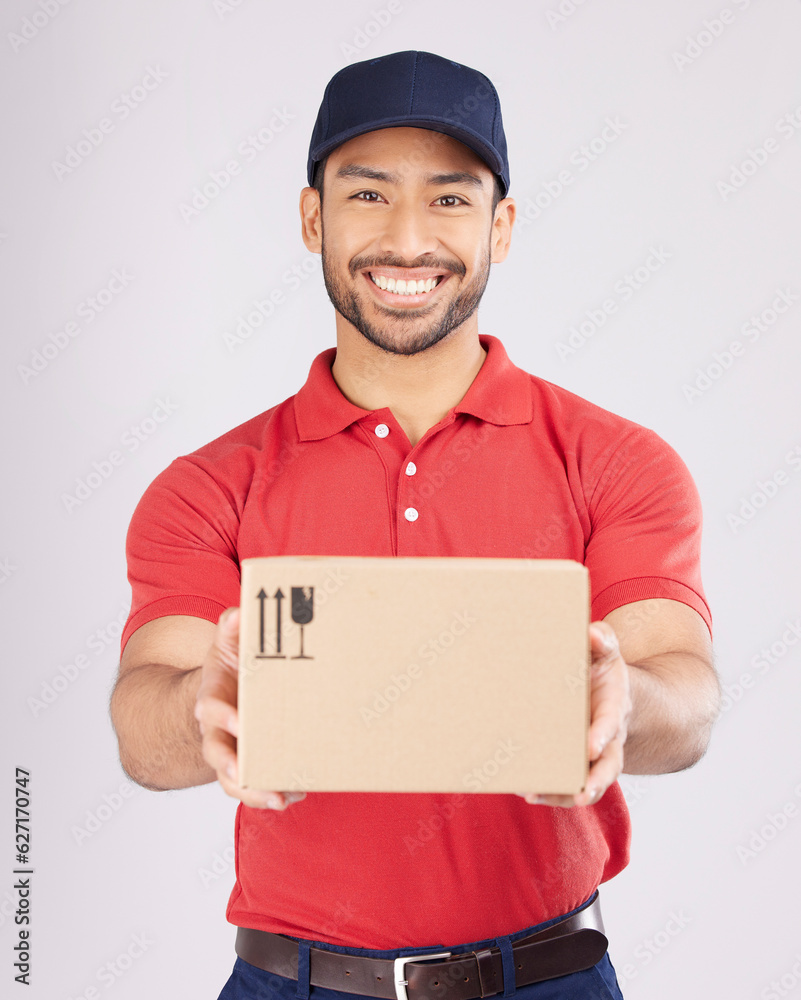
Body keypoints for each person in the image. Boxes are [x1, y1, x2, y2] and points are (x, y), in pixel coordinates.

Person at [110, 50, 720, 1000]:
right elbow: (141, 722)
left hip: (548, 975)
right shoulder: (209, 486)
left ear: (499, 227)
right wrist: (204, 705)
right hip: (292, 982)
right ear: (312, 217)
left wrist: (624, 701)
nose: (406, 240)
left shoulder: (615, 460)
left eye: (448, 199)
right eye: (366, 195)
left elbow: (685, 695)